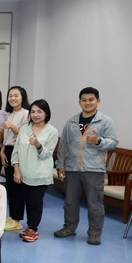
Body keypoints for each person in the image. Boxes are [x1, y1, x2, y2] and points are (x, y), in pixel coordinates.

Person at [54, 87, 118, 246]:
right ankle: (69, 228)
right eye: (84, 100)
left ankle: (95, 234)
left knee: (95, 203)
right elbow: (64, 146)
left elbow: (113, 143)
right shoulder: (71, 122)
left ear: (98, 101)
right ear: (79, 102)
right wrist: (60, 165)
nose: (87, 103)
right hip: (72, 168)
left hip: (94, 170)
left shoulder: (105, 121)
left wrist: (98, 141)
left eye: (91, 99)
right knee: (70, 202)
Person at [11, 99, 59, 242]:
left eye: (39, 111)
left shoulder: (52, 131)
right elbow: (16, 151)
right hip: (24, 173)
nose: (36, 115)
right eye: (33, 111)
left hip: (40, 174)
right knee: (27, 201)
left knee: (35, 202)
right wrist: (16, 170)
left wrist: (38, 144)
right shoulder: (25, 128)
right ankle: (30, 226)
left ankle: (33, 228)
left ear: (46, 113)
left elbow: (47, 154)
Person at [0, 86, 30, 231]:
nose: (12, 98)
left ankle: (17, 219)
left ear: (22, 97)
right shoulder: (9, 114)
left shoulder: (26, 114)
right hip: (8, 149)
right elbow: (7, 138)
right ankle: (12, 216)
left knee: (17, 187)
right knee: (10, 186)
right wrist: (2, 151)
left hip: (20, 150)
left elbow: (23, 136)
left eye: (16, 95)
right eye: (10, 95)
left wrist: (11, 126)